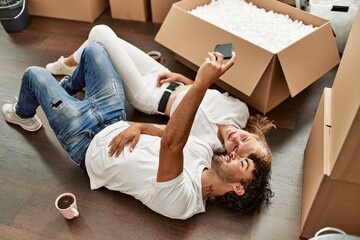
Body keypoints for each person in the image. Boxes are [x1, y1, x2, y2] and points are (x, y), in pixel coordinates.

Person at [1, 42, 272, 219]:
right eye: (242, 155)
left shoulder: (184, 202)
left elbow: (171, 147)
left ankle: (23, 115)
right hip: (115, 119)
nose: (234, 155)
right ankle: (67, 91)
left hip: (85, 141)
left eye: (242, 162)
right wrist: (139, 126)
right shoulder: (204, 151)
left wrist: (201, 84)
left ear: (238, 187)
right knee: (94, 49)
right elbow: (166, 134)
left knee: (34, 75)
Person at [46, 25, 275, 164]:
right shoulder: (240, 111)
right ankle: (74, 68)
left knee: (101, 33)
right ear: (253, 135)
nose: (235, 138)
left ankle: (67, 65)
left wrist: (135, 126)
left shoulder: (206, 145)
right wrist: (182, 79)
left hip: (148, 95)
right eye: (244, 138)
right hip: (162, 76)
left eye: (234, 148)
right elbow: (203, 89)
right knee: (103, 40)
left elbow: (165, 133)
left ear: (231, 155)